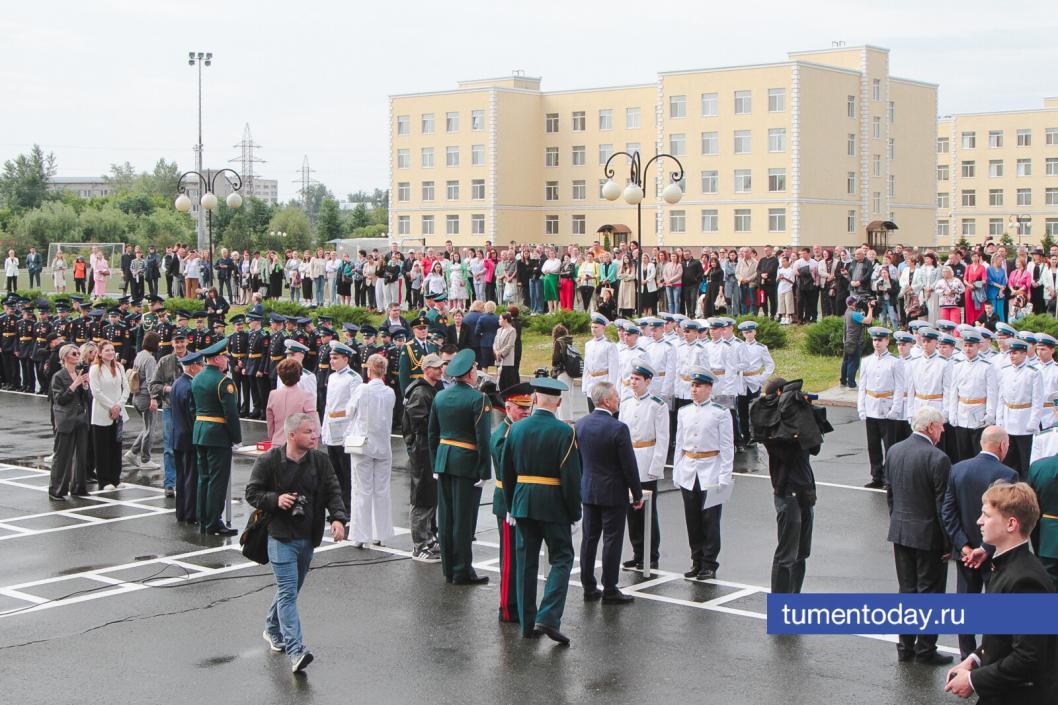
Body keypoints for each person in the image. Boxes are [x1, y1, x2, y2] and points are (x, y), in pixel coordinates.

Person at [246, 412, 348, 673]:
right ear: (291, 435)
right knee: (288, 592)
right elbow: (252, 493)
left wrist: (338, 519)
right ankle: (296, 651)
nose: (314, 436)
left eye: (314, 432)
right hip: (279, 536)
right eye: (308, 432)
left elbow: (333, 491)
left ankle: (271, 628)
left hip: (308, 537)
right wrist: (275, 500)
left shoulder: (320, 461)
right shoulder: (269, 460)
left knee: (289, 591)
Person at [944, 482, 1057, 701]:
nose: (979, 521)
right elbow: (1004, 636)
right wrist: (975, 659)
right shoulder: (1007, 566)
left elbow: (1028, 657)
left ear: (1011, 524)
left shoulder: (1026, 581)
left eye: (986, 515)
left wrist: (972, 680)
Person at [500, 376, 581, 644]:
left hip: (523, 503)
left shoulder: (516, 429)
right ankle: (548, 616)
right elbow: (571, 478)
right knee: (562, 557)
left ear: (535, 399)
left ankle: (526, 624)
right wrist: (575, 512)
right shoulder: (565, 432)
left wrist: (511, 505)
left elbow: (507, 472)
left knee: (526, 562)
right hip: (553, 504)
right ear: (558, 402)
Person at [883, 406, 953, 666]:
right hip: (928, 537)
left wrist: (897, 521)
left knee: (907, 591)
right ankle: (925, 649)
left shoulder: (894, 450)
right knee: (930, 594)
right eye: (941, 426)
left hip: (901, 531)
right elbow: (942, 505)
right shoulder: (938, 458)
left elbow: (891, 494)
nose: (943, 431)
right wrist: (948, 542)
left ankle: (905, 646)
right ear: (931, 427)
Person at [941, 426, 1018, 658]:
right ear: (1002, 445)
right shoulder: (1008, 474)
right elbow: (1006, 518)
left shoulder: (957, 469)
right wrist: (985, 548)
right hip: (995, 554)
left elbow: (948, 512)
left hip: (965, 553)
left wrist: (963, 546)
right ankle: (990, 654)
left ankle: (966, 655)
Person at [428, 348, 493, 585]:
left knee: (446, 518)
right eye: (475, 369)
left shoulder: (440, 396)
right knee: (464, 519)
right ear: (469, 373)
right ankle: (462, 570)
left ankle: (449, 568)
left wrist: (435, 463)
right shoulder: (479, 399)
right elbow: (483, 439)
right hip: (466, 463)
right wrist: (485, 470)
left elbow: (432, 433)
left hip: (444, 460)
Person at [577, 381, 643, 604]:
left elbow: (578, 460)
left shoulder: (581, 424)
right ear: (606, 401)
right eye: (615, 396)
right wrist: (637, 493)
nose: (618, 399)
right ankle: (610, 588)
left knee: (589, 539)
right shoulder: (618, 428)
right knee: (612, 541)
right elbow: (629, 466)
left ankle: (588, 585)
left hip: (589, 490)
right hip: (613, 493)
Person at [753, 378, 818, 594]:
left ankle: (794, 597)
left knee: (801, 552)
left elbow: (814, 446)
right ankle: (780, 603)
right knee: (786, 554)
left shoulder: (796, 419)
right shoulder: (771, 425)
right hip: (787, 492)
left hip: (805, 489)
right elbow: (788, 451)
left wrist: (804, 415)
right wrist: (793, 422)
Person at [674, 366, 734, 581]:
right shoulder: (684, 412)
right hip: (689, 469)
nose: (694, 389)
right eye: (692, 385)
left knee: (710, 520)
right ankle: (696, 559)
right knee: (692, 520)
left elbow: (727, 447)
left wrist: (725, 476)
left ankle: (709, 563)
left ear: (709, 388)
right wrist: (677, 470)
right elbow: (679, 443)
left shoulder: (720, 412)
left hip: (711, 469)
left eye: (698, 386)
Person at [490, 381, 534, 622]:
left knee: (522, 556)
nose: (526, 412)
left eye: (528, 407)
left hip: (521, 500)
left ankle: (519, 603)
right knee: (510, 559)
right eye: (521, 407)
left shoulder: (518, 430)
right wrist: (511, 504)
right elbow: (507, 472)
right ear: (508, 408)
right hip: (508, 502)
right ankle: (507, 607)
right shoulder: (503, 435)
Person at [619, 360, 667, 571]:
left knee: (648, 510)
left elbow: (662, 439)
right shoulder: (626, 403)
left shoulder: (657, 405)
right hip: (629, 458)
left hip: (647, 459)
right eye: (632, 378)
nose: (633, 382)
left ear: (648, 381)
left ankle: (651, 554)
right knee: (631, 510)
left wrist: (656, 467)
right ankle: (637, 552)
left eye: (637, 379)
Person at [191, 338, 241, 536]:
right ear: (217, 359)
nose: (227, 360)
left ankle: (203, 519)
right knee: (217, 481)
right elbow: (231, 413)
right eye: (225, 357)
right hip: (218, 435)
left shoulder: (197, 378)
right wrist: (236, 437)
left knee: (203, 478)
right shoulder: (223, 381)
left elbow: (193, 407)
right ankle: (213, 522)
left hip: (200, 432)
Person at [346, 353, 395, 547]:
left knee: (362, 490)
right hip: (383, 444)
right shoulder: (390, 392)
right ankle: (380, 533)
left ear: (369, 370)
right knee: (381, 490)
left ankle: (361, 535)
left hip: (363, 444)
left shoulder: (362, 389)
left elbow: (349, 411)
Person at [403, 353, 445, 562]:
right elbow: (420, 424)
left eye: (441, 366)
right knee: (422, 496)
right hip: (422, 449)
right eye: (436, 367)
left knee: (430, 494)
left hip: (429, 447)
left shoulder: (431, 389)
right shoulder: (420, 392)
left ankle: (429, 538)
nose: (440, 370)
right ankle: (419, 545)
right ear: (426, 369)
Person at [858, 326, 905, 488]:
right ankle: (876, 476)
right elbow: (862, 386)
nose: (877, 343)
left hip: (887, 408)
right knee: (873, 446)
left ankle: (889, 478)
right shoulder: (866, 361)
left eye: (880, 340)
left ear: (887, 341)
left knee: (889, 446)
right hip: (871, 407)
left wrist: (895, 409)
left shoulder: (895, 362)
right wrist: (861, 407)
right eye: (874, 340)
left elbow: (899, 387)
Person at [320, 343, 361, 523]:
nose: (332, 361)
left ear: (345, 359)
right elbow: (329, 405)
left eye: (335, 358)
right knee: (334, 473)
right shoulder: (332, 377)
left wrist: (350, 432)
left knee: (346, 473)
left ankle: (348, 507)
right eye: (331, 358)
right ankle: (337, 507)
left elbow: (355, 407)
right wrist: (324, 428)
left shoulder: (354, 378)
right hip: (332, 427)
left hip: (345, 428)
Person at [948, 328, 999, 462]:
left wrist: (990, 414)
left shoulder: (987, 366)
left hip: (979, 413)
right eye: (965, 345)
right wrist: (952, 413)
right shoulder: (958, 366)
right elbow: (953, 392)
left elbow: (992, 392)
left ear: (978, 346)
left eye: (971, 346)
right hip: (962, 413)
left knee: (978, 453)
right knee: (962, 453)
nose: (968, 349)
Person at [996, 339, 1044, 478]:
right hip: (1008, 419)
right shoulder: (1005, 371)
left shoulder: (1033, 373)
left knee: (1025, 459)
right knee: (1008, 459)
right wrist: (1000, 419)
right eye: (1011, 353)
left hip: (1024, 420)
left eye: (1015, 353)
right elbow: (1001, 398)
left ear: (1024, 354)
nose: (1012, 355)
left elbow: (1037, 400)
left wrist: (1033, 422)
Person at [49, 344, 90, 500]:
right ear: (65, 357)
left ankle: (78, 487)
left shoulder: (79, 373)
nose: (77, 355)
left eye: (78, 353)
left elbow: (84, 398)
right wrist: (74, 385)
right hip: (66, 419)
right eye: (74, 353)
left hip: (80, 417)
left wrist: (85, 387)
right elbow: (59, 399)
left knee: (81, 455)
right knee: (62, 456)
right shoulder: (59, 376)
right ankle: (56, 490)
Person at [88, 341, 129, 491]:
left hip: (118, 411)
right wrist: (112, 406)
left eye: (112, 350)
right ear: (100, 353)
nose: (111, 352)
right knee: (102, 448)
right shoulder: (95, 369)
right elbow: (96, 392)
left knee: (116, 447)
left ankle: (115, 478)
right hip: (102, 412)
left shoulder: (119, 367)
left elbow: (126, 388)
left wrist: (119, 405)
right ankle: (104, 480)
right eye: (107, 350)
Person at [170, 350, 203, 522]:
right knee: (191, 477)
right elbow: (192, 415)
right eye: (201, 365)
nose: (202, 368)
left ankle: (181, 512)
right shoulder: (190, 386)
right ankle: (191, 514)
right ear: (193, 367)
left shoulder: (177, 383)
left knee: (182, 477)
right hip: (189, 437)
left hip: (178, 436)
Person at [126, 332, 161, 470]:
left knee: (147, 427)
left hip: (136, 395)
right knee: (150, 429)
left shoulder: (139, 355)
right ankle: (145, 459)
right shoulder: (150, 359)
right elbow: (151, 380)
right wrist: (154, 398)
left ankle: (133, 452)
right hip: (145, 396)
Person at [267, 358, 318, 448]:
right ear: (299, 375)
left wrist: (273, 438)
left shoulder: (273, 394)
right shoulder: (306, 396)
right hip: (299, 444)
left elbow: (270, 423)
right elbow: (312, 423)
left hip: (277, 442)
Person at [840, 298, 873, 388]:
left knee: (846, 362)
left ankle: (843, 381)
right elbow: (868, 320)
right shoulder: (855, 314)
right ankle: (851, 383)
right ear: (854, 303)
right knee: (853, 363)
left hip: (847, 341)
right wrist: (870, 308)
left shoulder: (847, 312)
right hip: (854, 342)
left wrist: (861, 314)